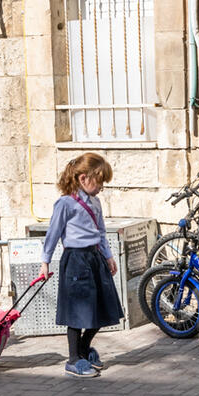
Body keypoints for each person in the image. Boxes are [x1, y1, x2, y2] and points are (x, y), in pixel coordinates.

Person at [40, 153, 123, 378]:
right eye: (99, 181)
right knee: (78, 313)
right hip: (75, 261)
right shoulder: (65, 203)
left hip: (94, 258)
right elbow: (53, 233)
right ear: (83, 178)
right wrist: (45, 261)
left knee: (103, 308)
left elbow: (101, 232)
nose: (101, 188)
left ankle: (85, 348)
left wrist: (108, 256)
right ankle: (74, 359)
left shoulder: (95, 202)